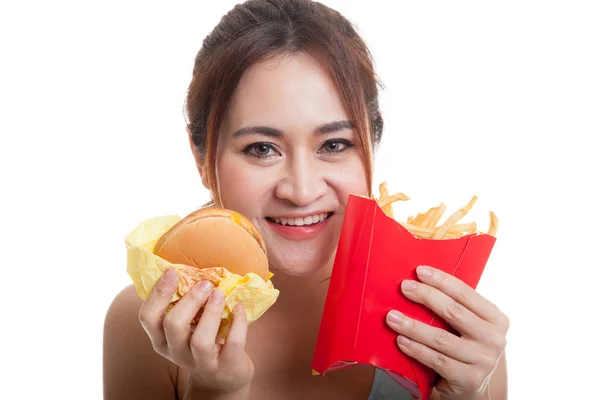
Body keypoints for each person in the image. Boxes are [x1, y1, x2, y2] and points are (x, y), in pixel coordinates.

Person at [103, 0, 509, 399]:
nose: (300, 191)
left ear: (373, 143)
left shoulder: (452, 322)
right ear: (201, 159)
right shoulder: (153, 321)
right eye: (262, 149)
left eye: (334, 144)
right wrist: (215, 391)